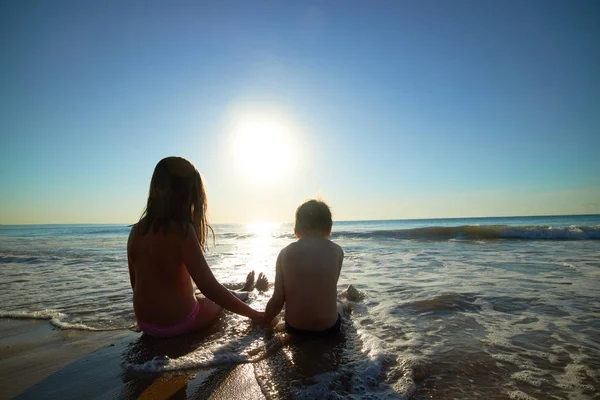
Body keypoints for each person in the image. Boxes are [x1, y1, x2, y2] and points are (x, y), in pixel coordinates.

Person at [127, 156, 264, 337]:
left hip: (146, 323)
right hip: (179, 323)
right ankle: (244, 295)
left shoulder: (136, 231)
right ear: (190, 195)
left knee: (197, 293)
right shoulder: (182, 231)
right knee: (213, 299)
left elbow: (135, 283)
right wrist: (255, 315)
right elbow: (209, 286)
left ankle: (241, 292)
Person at [264, 199, 345, 337]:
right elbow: (329, 287)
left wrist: (265, 321)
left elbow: (277, 300)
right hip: (329, 329)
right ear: (329, 226)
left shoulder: (285, 253)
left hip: (295, 328)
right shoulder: (337, 251)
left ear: (297, 226)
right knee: (341, 305)